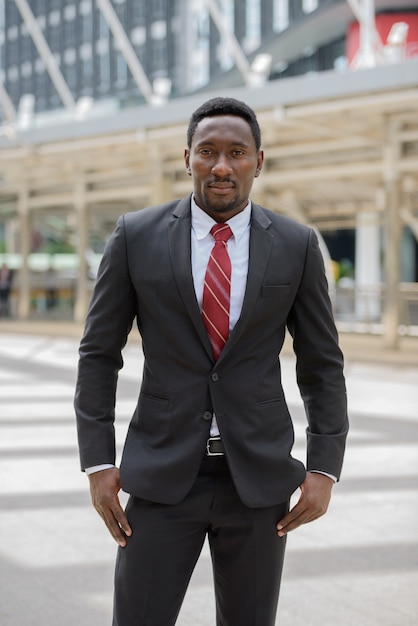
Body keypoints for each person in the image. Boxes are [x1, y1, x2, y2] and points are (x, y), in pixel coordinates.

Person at [74, 97, 348, 626]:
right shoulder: (136, 236)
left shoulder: (296, 245)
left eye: (237, 153)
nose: (222, 166)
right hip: (160, 472)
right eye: (208, 152)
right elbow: (98, 353)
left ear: (259, 161)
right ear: (187, 158)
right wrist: (98, 461)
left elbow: (322, 364)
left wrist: (323, 466)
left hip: (259, 478)